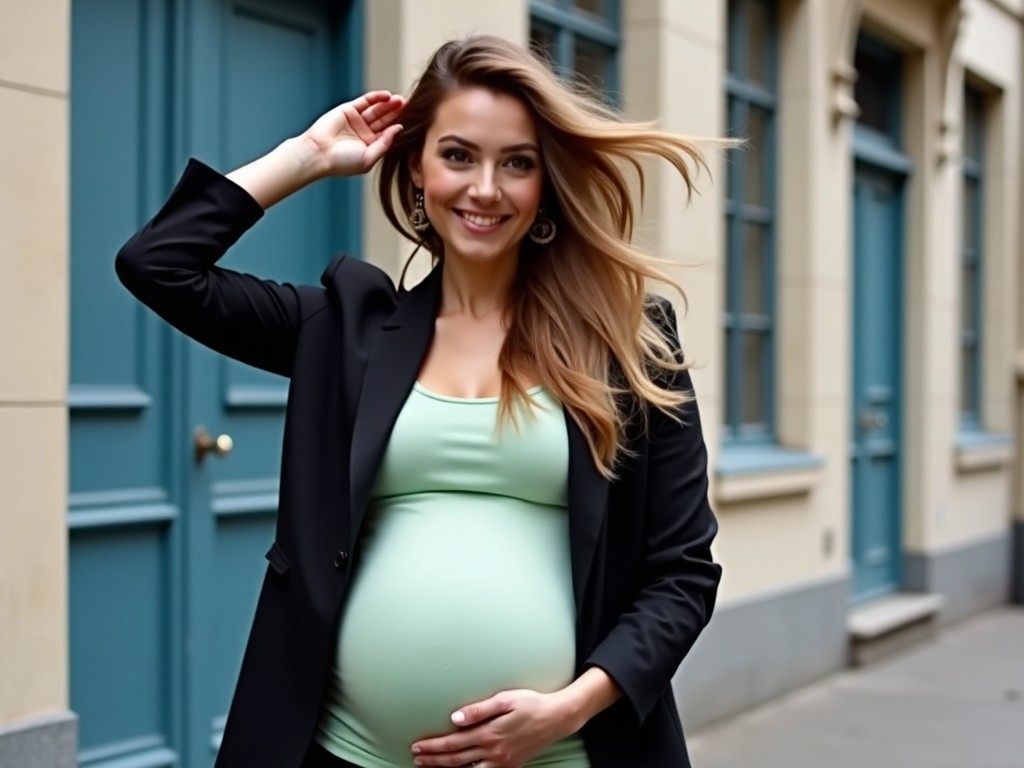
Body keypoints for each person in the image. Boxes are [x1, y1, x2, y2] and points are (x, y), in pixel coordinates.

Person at [116, 34, 721, 768]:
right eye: (458, 155)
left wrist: (569, 708)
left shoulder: (630, 343)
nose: (486, 189)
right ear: (415, 170)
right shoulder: (344, 330)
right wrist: (306, 156)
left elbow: (683, 571)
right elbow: (158, 265)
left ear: (545, 183)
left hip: (565, 754)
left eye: (518, 163)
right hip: (347, 753)